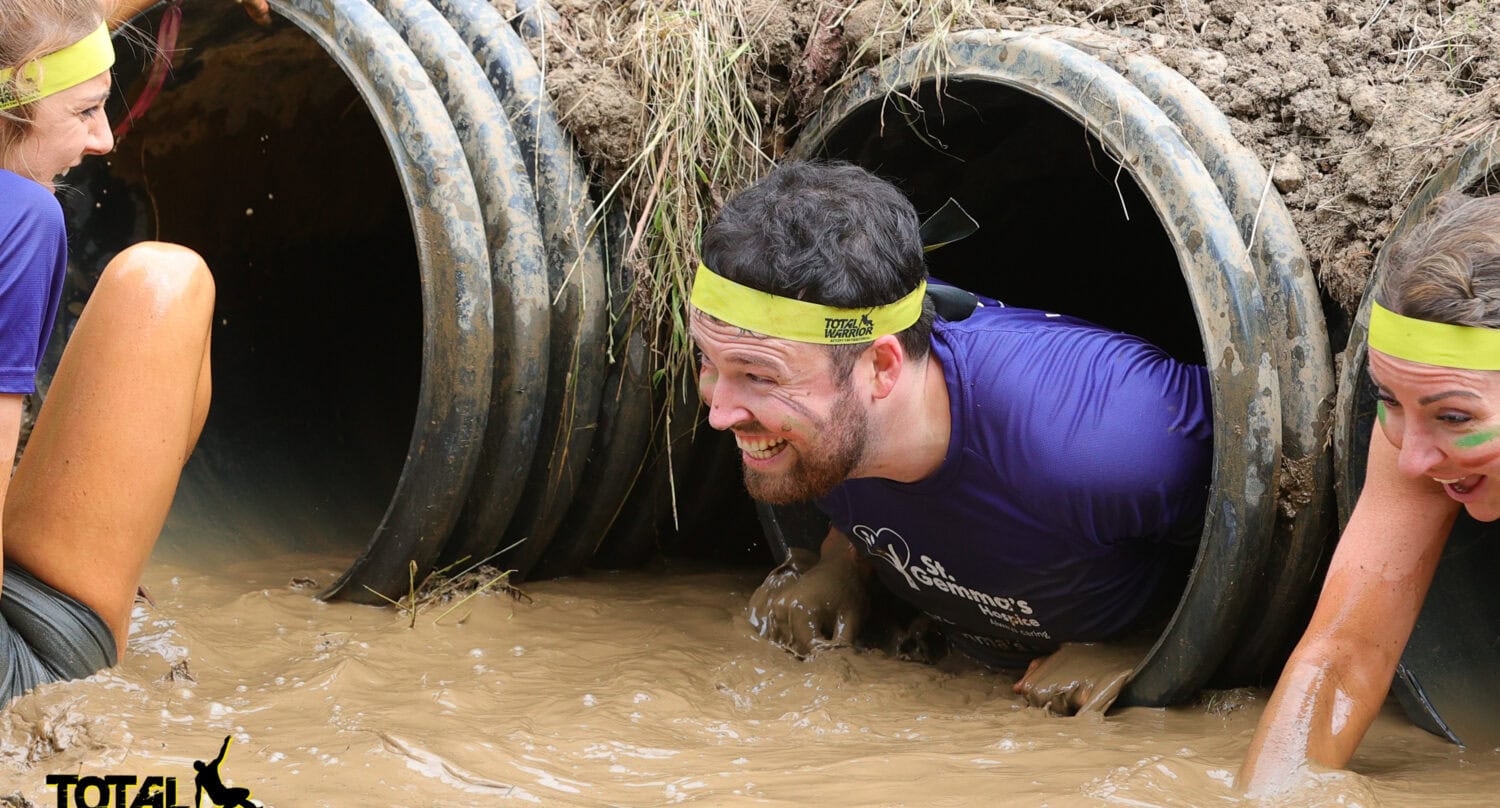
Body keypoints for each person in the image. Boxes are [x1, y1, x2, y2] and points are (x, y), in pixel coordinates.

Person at [690, 160, 1214, 710]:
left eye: (758, 376)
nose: (720, 414)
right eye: (709, 362)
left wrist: (1155, 648)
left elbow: (1275, 504)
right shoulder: (811, 421)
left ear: (881, 369)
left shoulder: (1107, 435)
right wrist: (843, 563)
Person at [0, 0, 259, 704]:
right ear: (15, 100)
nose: (105, 140)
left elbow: (32, 50)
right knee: (166, 283)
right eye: (85, 112)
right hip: (16, 666)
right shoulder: (21, 219)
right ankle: (116, 554)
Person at [1238, 191, 1500, 796]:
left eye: (1454, 418)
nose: (1413, 458)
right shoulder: (1422, 413)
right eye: (1389, 402)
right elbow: (1345, 654)